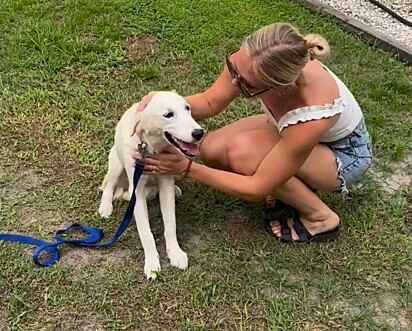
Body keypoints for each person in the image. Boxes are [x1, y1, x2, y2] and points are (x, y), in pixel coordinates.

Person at [132, 22, 373, 243]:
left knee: (242, 153)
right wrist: (160, 107)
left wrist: (187, 168)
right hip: (288, 132)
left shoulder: (313, 110)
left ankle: (321, 218)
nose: (235, 83)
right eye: (234, 68)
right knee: (213, 149)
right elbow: (209, 102)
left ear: (281, 87)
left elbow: (256, 188)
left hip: (344, 154)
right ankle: (290, 184)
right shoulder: (254, 60)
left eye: (247, 84)